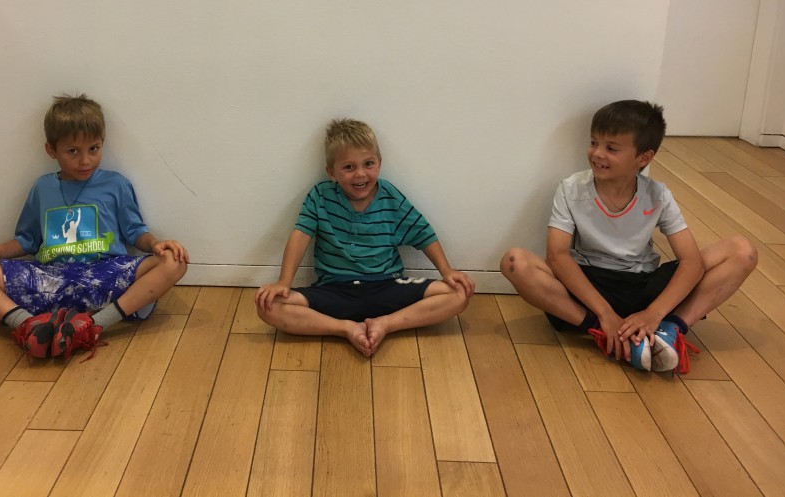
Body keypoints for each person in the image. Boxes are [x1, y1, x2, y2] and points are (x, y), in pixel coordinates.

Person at [500, 100, 757, 374]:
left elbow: (691, 262)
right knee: (514, 262)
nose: (597, 153)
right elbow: (557, 256)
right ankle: (603, 332)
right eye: (594, 142)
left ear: (643, 158)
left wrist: (654, 313)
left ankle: (669, 329)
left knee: (742, 251)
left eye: (611, 148)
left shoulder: (658, 195)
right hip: (588, 289)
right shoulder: (571, 189)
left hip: (643, 286)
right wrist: (605, 314)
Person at [0, 94, 188, 359]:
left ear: (102, 143)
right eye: (73, 151)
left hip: (105, 276)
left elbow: (134, 231)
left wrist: (156, 244)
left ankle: (94, 325)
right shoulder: (42, 187)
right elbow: (27, 241)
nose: (85, 161)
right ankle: (28, 325)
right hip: (49, 280)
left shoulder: (116, 184)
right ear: (52, 150)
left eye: (93, 149)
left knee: (174, 261)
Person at [255, 118, 474, 357]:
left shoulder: (390, 196)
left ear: (379, 163)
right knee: (269, 307)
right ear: (332, 172)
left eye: (368, 164)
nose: (360, 174)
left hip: (387, 286)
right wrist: (284, 282)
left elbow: (422, 233)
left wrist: (446, 271)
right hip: (335, 290)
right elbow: (300, 236)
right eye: (349, 167)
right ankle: (345, 328)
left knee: (458, 295)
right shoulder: (320, 196)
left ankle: (386, 324)